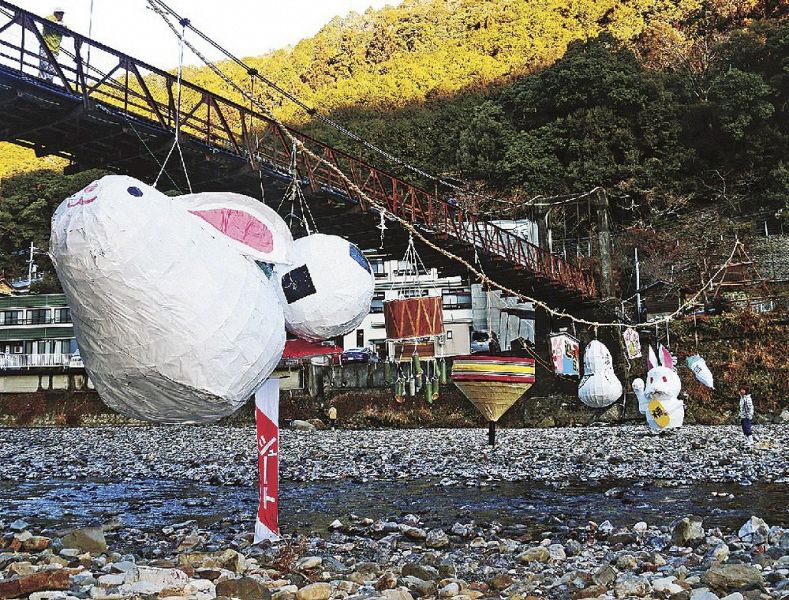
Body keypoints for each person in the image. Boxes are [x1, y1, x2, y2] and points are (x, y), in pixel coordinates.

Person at [39, 8, 66, 82]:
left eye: (62, 14)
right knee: (44, 65)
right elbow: (46, 22)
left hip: (55, 50)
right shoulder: (49, 18)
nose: (61, 16)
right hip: (46, 47)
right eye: (60, 14)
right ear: (55, 13)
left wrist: (64, 27)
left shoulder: (62, 23)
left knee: (52, 68)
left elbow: (67, 33)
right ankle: (41, 79)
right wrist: (58, 24)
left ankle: (49, 81)